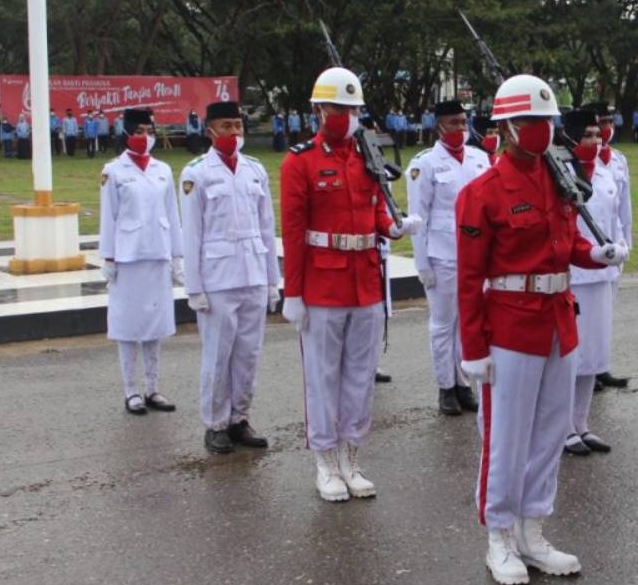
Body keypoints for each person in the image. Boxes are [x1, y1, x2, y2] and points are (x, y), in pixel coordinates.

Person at [456, 74, 627, 585]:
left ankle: (533, 529)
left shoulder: (557, 178)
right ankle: (500, 534)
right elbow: (468, 278)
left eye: (546, 122)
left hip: (559, 318)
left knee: (551, 433)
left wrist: (594, 254)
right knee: (505, 437)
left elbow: (565, 244)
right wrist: (474, 348)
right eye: (530, 122)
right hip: (510, 324)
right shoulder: (482, 192)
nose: (542, 131)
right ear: (507, 128)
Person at [279, 67, 422, 500]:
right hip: (323, 284)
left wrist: (392, 228)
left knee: (360, 376)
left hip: (365, 281)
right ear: (318, 110)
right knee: (322, 377)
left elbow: (375, 207)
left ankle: (351, 457)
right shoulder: (300, 161)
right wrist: (294, 293)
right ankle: (324, 461)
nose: (345, 116)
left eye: (352, 109)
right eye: (337, 108)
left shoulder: (368, 157)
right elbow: (294, 231)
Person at [179, 101, 279, 455]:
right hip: (218, 277)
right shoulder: (197, 173)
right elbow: (190, 234)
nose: (234, 133)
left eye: (238, 125)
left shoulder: (254, 170)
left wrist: (272, 280)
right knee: (218, 354)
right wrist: (194, 287)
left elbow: (267, 228)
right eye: (226, 126)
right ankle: (216, 423)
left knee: (249, 354)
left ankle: (240, 418)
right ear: (210, 131)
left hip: (253, 271)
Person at [98, 109, 183, 415]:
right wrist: (108, 256)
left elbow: (172, 215)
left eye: (149, 130)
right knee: (127, 325)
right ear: (126, 133)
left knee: (154, 325)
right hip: (128, 256)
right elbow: (108, 216)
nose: (145, 137)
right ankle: (131, 390)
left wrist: (177, 255)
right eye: (139, 131)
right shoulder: (114, 171)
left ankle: (152, 388)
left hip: (157, 254)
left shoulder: (162, 169)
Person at [406, 100, 488, 416]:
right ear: (438, 125)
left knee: (467, 323)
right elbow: (418, 216)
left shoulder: (481, 159)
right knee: (443, 324)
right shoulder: (424, 164)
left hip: (475, 254)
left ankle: (463, 383)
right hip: (442, 255)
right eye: (453, 122)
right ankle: (445, 387)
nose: (459, 128)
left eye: (463, 122)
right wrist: (422, 263)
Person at [562, 109, 628, 455]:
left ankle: (581, 423)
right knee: (571, 357)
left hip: (602, 274)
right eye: (586, 135)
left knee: (593, 355)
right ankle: (562, 429)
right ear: (570, 137)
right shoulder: (561, 174)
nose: (594, 140)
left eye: (596, 134)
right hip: (574, 274)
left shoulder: (604, 173)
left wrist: (620, 245)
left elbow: (613, 216)